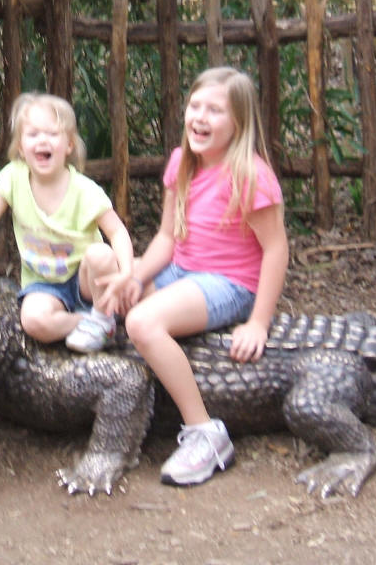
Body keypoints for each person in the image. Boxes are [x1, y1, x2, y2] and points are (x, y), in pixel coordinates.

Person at [123, 67, 288, 487]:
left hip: (229, 284)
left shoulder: (250, 175)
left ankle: (205, 433)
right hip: (182, 272)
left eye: (214, 110)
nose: (199, 116)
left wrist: (259, 322)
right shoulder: (181, 162)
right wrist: (135, 277)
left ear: (239, 123)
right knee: (100, 276)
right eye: (195, 105)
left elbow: (275, 250)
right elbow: (166, 237)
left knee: (141, 322)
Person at [0, 92, 134, 353]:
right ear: (20, 148)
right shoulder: (14, 178)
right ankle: (89, 323)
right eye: (33, 134)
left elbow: (117, 232)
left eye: (52, 134)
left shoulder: (85, 190)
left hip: (86, 281)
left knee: (101, 254)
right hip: (44, 285)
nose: (42, 140)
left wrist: (125, 272)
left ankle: (102, 316)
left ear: (69, 145)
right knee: (33, 322)